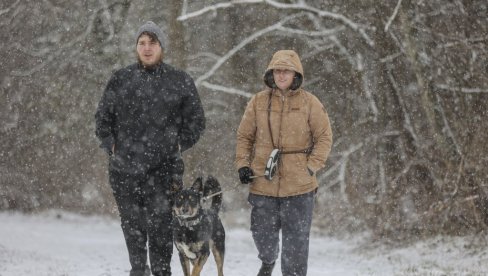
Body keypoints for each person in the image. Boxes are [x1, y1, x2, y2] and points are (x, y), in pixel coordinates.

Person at [95, 21, 205, 276]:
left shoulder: (179, 81)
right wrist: (111, 146)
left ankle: (161, 270)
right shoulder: (120, 79)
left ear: (162, 46)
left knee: (161, 226)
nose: (146, 48)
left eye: (152, 43)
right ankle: (137, 269)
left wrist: (179, 143)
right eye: (141, 43)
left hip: (164, 170)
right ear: (136, 47)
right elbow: (102, 119)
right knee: (132, 226)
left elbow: (197, 122)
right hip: (124, 169)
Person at [235, 50, 333, 276]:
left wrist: (311, 166)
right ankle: (268, 261)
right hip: (263, 182)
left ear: (295, 74)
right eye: (277, 71)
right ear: (271, 73)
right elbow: (244, 136)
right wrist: (243, 165)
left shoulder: (310, 102)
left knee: (296, 246)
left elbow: (324, 136)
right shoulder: (258, 101)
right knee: (263, 236)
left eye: (286, 71)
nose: (281, 75)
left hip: (299, 187)